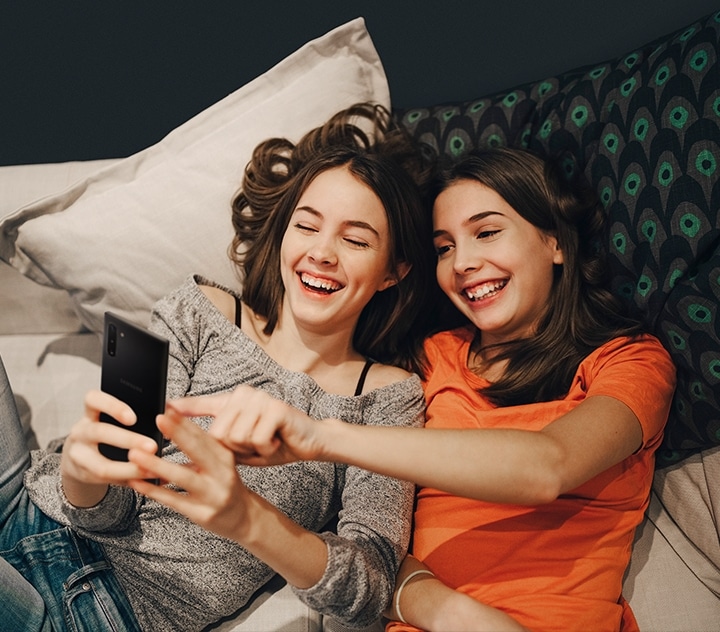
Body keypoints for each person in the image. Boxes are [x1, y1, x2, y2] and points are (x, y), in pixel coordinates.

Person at [137, 147, 677, 632]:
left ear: (554, 241)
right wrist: (441, 607)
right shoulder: (430, 361)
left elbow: (547, 467)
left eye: (487, 232)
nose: (463, 263)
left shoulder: (630, 361)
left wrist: (321, 436)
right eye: (445, 247)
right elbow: (375, 543)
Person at [0, 103, 438, 631]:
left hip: (100, 607)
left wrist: (249, 518)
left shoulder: (388, 397)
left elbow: (369, 586)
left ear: (393, 272)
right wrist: (81, 470)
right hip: (24, 502)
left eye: (355, 239)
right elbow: (107, 506)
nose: (322, 252)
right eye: (307, 226)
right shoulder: (198, 308)